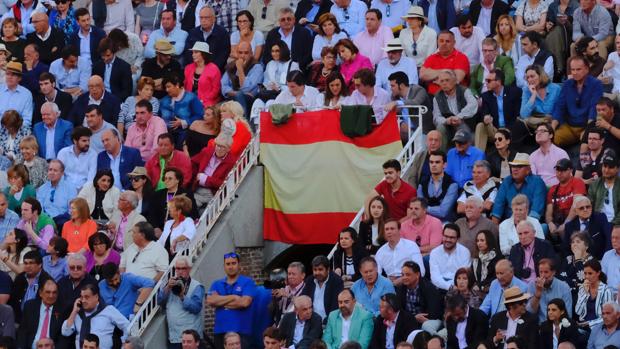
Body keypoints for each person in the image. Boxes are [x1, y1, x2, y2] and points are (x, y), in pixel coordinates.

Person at [207, 252, 256, 349]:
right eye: (228, 264)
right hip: (220, 331)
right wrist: (234, 297)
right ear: (224, 266)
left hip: (241, 331)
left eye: (233, 263)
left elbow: (245, 302)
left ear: (239, 265)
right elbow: (210, 301)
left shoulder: (247, 282)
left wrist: (220, 302)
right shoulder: (216, 284)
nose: (231, 266)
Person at [552, 56, 603, 147]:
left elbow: (594, 108)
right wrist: (551, 128)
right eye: (573, 70)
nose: (575, 73)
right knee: (551, 139)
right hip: (569, 126)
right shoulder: (567, 84)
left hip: (586, 126)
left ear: (587, 69)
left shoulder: (596, 84)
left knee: (588, 142)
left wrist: (588, 130)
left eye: (578, 69)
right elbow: (560, 106)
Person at [61, 283, 130, 349]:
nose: (83, 300)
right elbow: (66, 332)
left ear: (96, 297)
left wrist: (123, 342)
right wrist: (74, 311)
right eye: (82, 297)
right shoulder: (78, 313)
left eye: (87, 297)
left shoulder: (108, 310)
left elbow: (128, 326)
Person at [476, 69, 523, 151]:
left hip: (510, 129)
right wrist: (485, 117)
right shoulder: (486, 96)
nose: (486, 83)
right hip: (495, 130)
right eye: (486, 80)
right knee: (481, 126)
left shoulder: (514, 92)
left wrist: (508, 129)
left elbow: (518, 114)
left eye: (489, 81)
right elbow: (484, 112)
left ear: (498, 81)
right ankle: (478, 158)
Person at [491, 153, 547, 222]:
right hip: (509, 223)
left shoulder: (537, 182)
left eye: (519, 166)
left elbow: (536, 212)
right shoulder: (506, 181)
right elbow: (498, 206)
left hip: (530, 224)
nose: (515, 169)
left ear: (528, 170)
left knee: (544, 227)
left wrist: (522, 228)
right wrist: (495, 228)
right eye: (513, 166)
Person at [432, 70, 478, 146]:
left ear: (455, 81)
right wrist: (446, 121)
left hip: (465, 124)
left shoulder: (464, 91)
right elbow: (436, 117)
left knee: (461, 127)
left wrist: (459, 117)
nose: (444, 83)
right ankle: (441, 155)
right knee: (440, 127)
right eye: (442, 81)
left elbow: (473, 105)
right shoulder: (437, 97)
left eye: (447, 80)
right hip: (448, 127)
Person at [159, 74, 205, 149]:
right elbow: (158, 117)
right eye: (165, 87)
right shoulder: (164, 100)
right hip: (165, 133)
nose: (167, 90)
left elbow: (200, 115)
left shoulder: (191, 98)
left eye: (169, 86)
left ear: (177, 85)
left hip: (185, 133)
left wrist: (184, 122)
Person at [545, 159, 587, 240]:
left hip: (575, 221)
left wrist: (566, 224)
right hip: (558, 222)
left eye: (563, 170)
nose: (559, 173)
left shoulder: (577, 182)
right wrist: (550, 223)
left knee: (568, 229)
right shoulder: (553, 189)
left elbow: (577, 205)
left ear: (570, 170)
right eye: (557, 170)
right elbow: (548, 212)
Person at [147, 167, 198, 233]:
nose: (166, 181)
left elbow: (193, 213)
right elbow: (151, 214)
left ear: (177, 180)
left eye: (170, 178)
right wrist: (155, 227)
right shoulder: (157, 195)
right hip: (161, 228)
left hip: (180, 227)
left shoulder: (187, 194)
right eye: (165, 179)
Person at [221, 41, 263, 118]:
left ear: (251, 53)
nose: (243, 56)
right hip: (231, 99)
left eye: (246, 53)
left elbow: (246, 88)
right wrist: (236, 93)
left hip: (249, 100)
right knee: (215, 109)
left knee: (240, 96)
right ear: (237, 53)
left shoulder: (257, 67)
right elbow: (224, 87)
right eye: (240, 53)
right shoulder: (231, 66)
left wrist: (240, 69)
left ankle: (244, 122)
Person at [16, 279, 62, 349]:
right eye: (48, 292)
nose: (51, 296)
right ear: (40, 293)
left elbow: (63, 337)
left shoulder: (63, 309)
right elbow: (23, 331)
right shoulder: (30, 306)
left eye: (54, 292)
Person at [375, 219, 425, 284]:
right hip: (389, 284)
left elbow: (421, 271)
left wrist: (402, 279)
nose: (389, 232)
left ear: (399, 230)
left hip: (409, 282)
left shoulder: (411, 246)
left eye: (392, 229)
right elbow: (376, 274)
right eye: (386, 229)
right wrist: (386, 282)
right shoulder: (380, 252)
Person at [420, 31, 469, 95]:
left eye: (447, 41)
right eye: (441, 41)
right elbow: (422, 75)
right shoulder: (432, 58)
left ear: (454, 43)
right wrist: (447, 72)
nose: (444, 43)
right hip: (432, 97)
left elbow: (456, 79)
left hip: (454, 97)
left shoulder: (461, 57)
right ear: (437, 42)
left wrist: (434, 75)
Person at [8, 250, 52, 323]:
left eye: (31, 263)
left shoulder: (47, 281)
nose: (28, 266)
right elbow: (13, 299)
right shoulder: (20, 278)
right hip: (18, 319)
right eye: (25, 263)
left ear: (40, 264)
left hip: (38, 320)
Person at [184, 6, 230, 71]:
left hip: (215, 70)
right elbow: (188, 52)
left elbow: (223, 55)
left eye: (206, 17)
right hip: (196, 68)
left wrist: (209, 70)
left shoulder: (222, 33)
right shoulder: (193, 32)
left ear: (214, 19)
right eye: (201, 18)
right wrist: (198, 68)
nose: (203, 20)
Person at [417, 150, 459, 222]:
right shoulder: (422, 183)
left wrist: (424, 208)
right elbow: (419, 208)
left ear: (444, 165)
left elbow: (443, 212)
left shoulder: (452, 185)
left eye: (437, 162)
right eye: (431, 162)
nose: (433, 165)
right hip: (425, 221)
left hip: (444, 224)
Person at [526, 258, 572, 323]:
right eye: (541, 272)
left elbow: (568, 314)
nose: (543, 275)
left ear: (553, 272)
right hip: (539, 326)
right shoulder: (532, 285)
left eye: (546, 272)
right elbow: (530, 312)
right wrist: (537, 294)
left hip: (558, 325)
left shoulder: (564, 287)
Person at [429, 224, 471, 291]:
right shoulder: (434, 252)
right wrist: (449, 287)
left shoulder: (465, 252)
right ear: (442, 236)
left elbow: (463, 275)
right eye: (446, 236)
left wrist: (454, 286)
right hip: (438, 287)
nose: (448, 240)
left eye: (451, 237)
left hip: (458, 287)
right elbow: (435, 277)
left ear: (458, 238)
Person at [575, 260, 615, 328]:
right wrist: (585, 293)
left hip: (599, 326)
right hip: (583, 324)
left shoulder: (606, 291)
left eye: (590, 273)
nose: (587, 276)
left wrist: (589, 323)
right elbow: (578, 311)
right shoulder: (582, 288)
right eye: (585, 273)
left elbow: (608, 316)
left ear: (598, 273)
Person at [57, 127, 97, 192]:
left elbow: (91, 178)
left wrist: (83, 190)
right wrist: (66, 189)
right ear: (75, 141)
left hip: (85, 191)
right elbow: (59, 174)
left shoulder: (93, 154)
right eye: (84, 141)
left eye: (88, 140)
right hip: (64, 189)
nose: (87, 143)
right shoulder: (63, 153)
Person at [184, 42, 221, 108]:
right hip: (189, 99)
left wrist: (202, 100)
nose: (193, 55)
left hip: (207, 101)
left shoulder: (214, 69)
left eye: (196, 52)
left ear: (204, 54)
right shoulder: (188, 68)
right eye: (192, 52)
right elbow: (185, 86)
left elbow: (216, 90)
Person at [587, 153, 620, 225]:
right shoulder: (595, 184)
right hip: (598, 224)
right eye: (605, 166)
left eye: (610, 167)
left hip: (617, 224)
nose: (606, 170)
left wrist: (613, 224)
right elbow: (589, 205)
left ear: (617, 169)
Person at [0, 62, 33, 129]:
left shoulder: (26, 94)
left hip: (17, 132)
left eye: (13, 75)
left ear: (19, 78)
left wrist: (14, 131)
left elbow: (27, 120)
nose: (9, 77)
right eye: (8, 74)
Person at [470, 230, 501, 294]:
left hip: (492, 290)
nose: (479, 243)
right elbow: (472, 276)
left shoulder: (497, 257)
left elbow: (495, 277)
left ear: (489, 241)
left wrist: (481, 286)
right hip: (477, 291)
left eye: (482, 240)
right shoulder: (476, 259)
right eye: (477, 241)